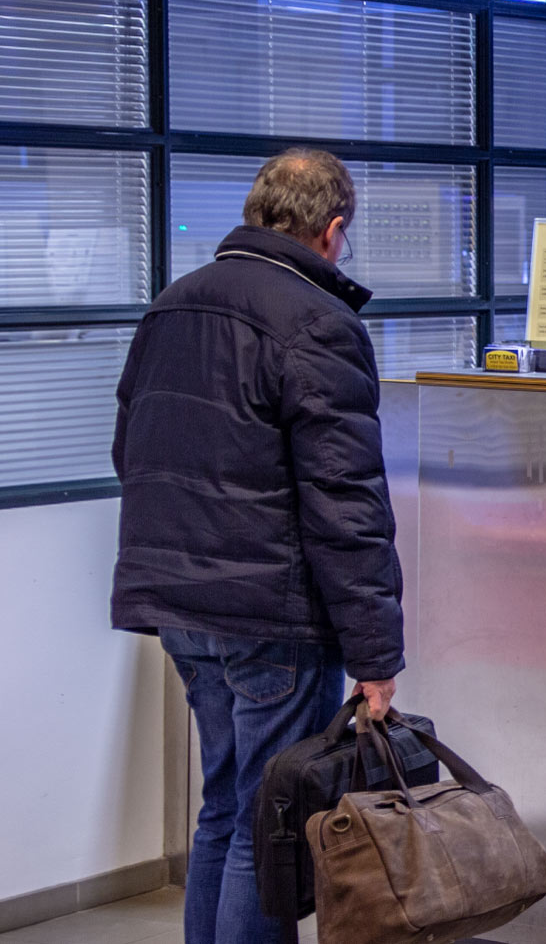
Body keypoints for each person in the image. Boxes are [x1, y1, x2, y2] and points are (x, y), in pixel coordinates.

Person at [111, 148, 403, 944]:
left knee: (224, 807)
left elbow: (129, 450)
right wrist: (376, 655)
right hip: (272, 616)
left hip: (180, 608)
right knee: (264, 828)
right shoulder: (319, 322)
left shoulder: (171, 306)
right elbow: (347, 504)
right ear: (332, 230)